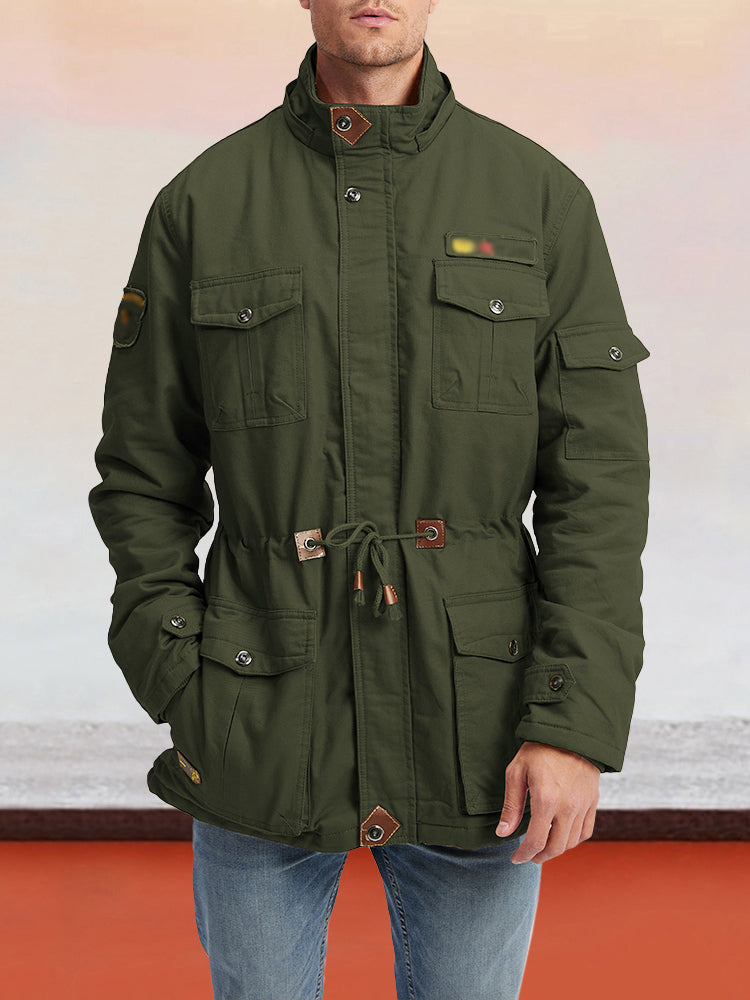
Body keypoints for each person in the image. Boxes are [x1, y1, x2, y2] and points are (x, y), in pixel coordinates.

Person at [88, 1, 650, 997]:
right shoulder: (204, 203)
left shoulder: (538, 198)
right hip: (258, 715)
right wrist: (181, 678)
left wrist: (571, 722)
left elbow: (597, 488)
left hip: (478, 728)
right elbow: (143, 471)